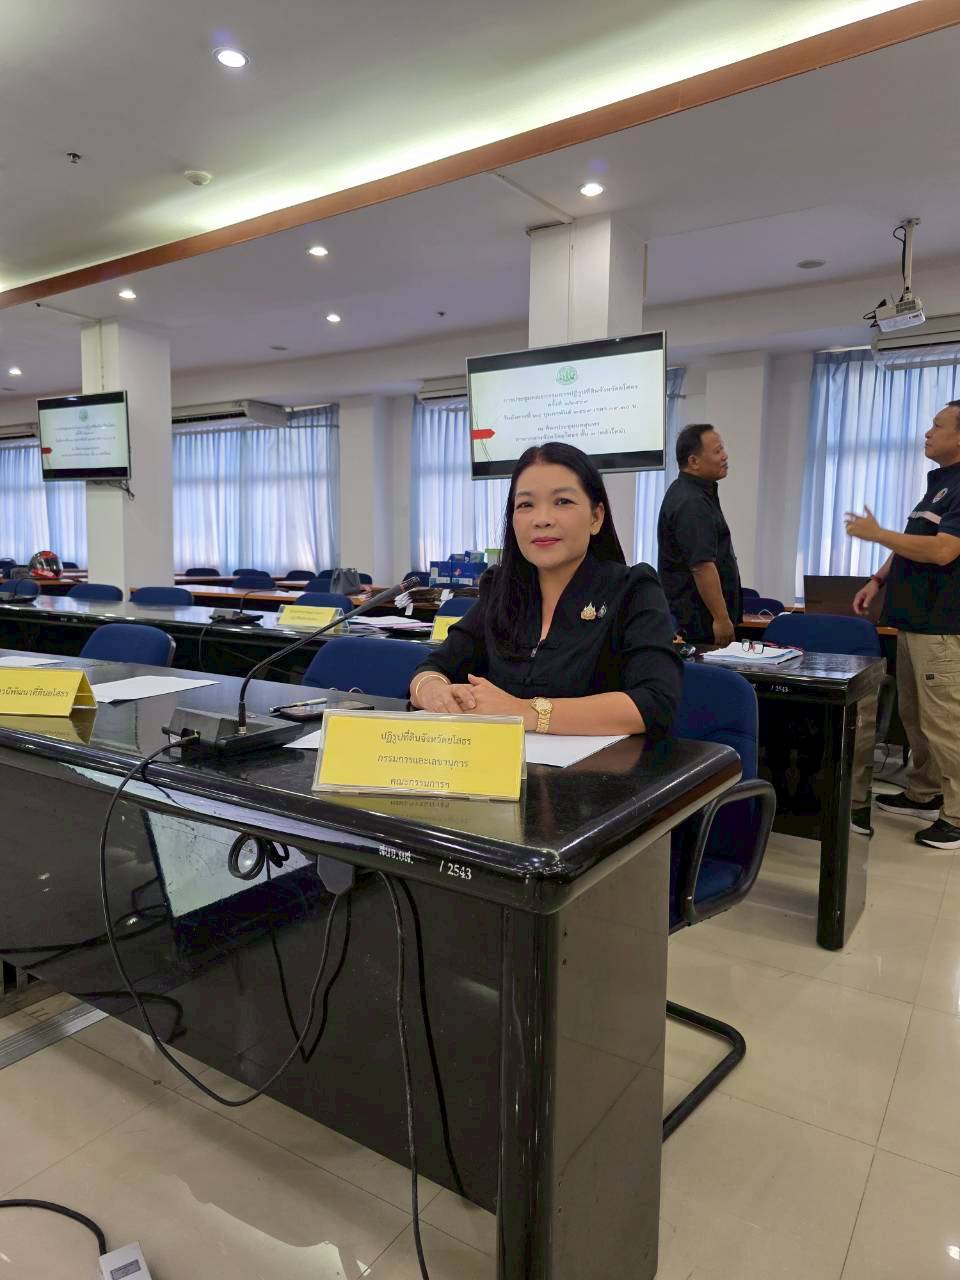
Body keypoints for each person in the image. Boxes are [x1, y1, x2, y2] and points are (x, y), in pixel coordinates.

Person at [409, 441, 682, 738]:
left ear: (596, 517)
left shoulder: (633, 589)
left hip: (600, 777)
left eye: (562, 501)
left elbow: (654, 702)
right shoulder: (501, 589)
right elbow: (435, 667)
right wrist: (433, 691)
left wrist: (524, 711)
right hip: (499, 771)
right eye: (526, 504)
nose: (542, 519)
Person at [846, 400, 960, 850]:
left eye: (938, 426)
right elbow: (915, 543)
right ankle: (925, 793)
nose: (927, 433)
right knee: (917, 718)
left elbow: (943, 552)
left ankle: (956, 815)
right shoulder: (938, 487)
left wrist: (877, 534)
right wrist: (877, 579)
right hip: (915, 622)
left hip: (943, 626)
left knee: (947, 722)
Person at [657, 424, 741, 646]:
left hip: (699, 621)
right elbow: (701, 566)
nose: (725, 456)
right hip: (699, 626)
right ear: (693, 461)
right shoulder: (691, 502)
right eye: (717, 451)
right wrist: (722, 619)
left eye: (722, 449)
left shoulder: (695, 493)